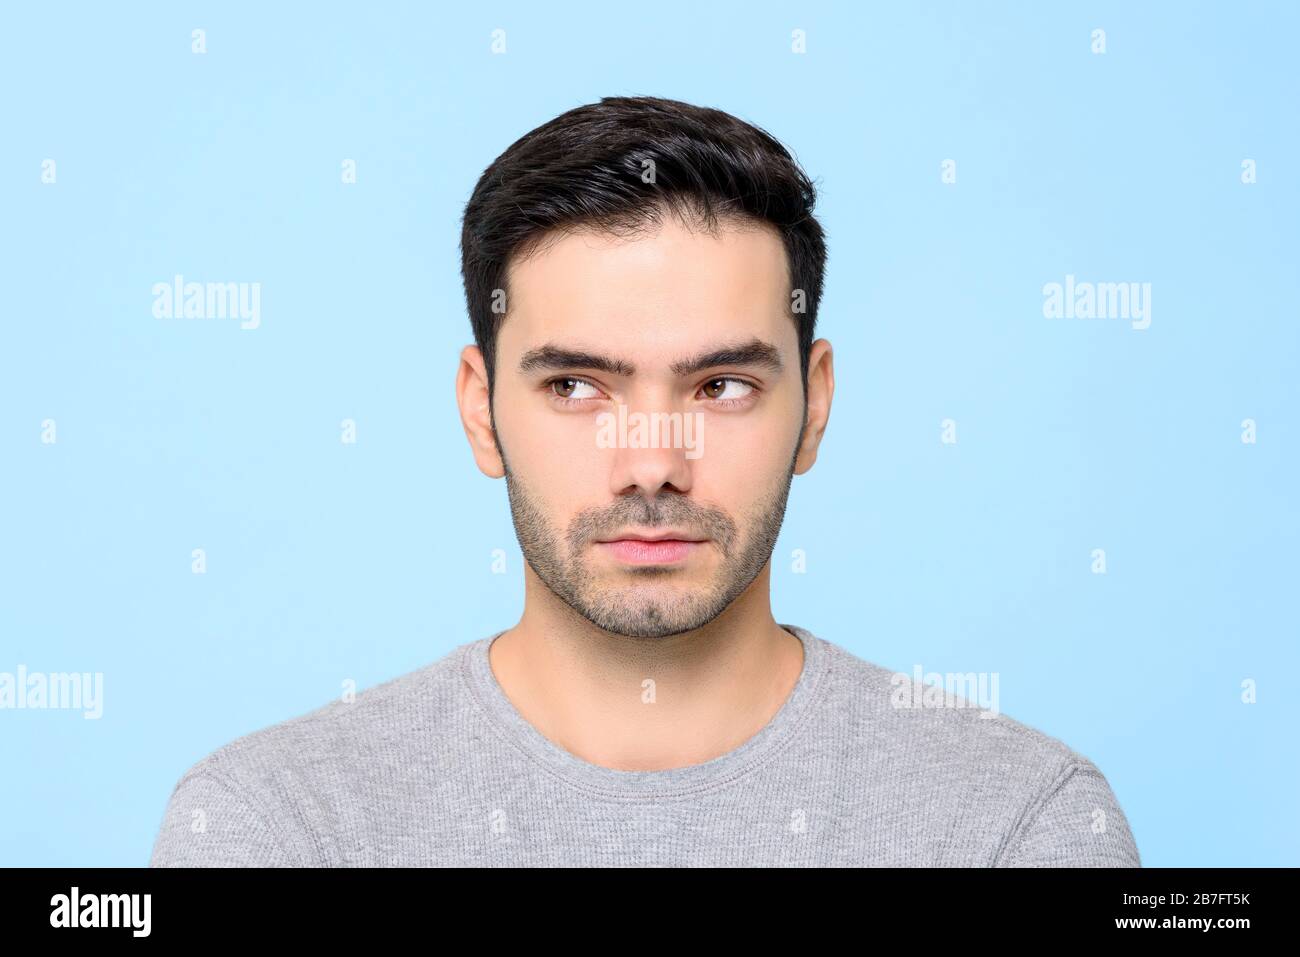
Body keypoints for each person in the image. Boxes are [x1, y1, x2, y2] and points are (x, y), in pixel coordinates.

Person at [149, 95, 1139, 867]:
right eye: (576, 385)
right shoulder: (276, 830)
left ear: (816, 403)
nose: (654, 461)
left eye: (719, 385)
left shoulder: (1015, 827)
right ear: (479, 408)